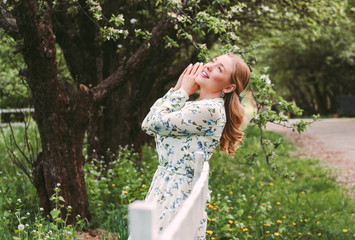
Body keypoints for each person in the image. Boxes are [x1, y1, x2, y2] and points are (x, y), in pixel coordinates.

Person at [141, 54, 250, 239]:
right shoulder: (196, 106)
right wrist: (178, 89)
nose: (209, 66)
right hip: (166, 186)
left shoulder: (209, 110)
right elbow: (152, 122)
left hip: (176, 193)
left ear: (229, 87)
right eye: (213, 61)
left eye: (219, 68)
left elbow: (151, 124)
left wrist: (182, 91)